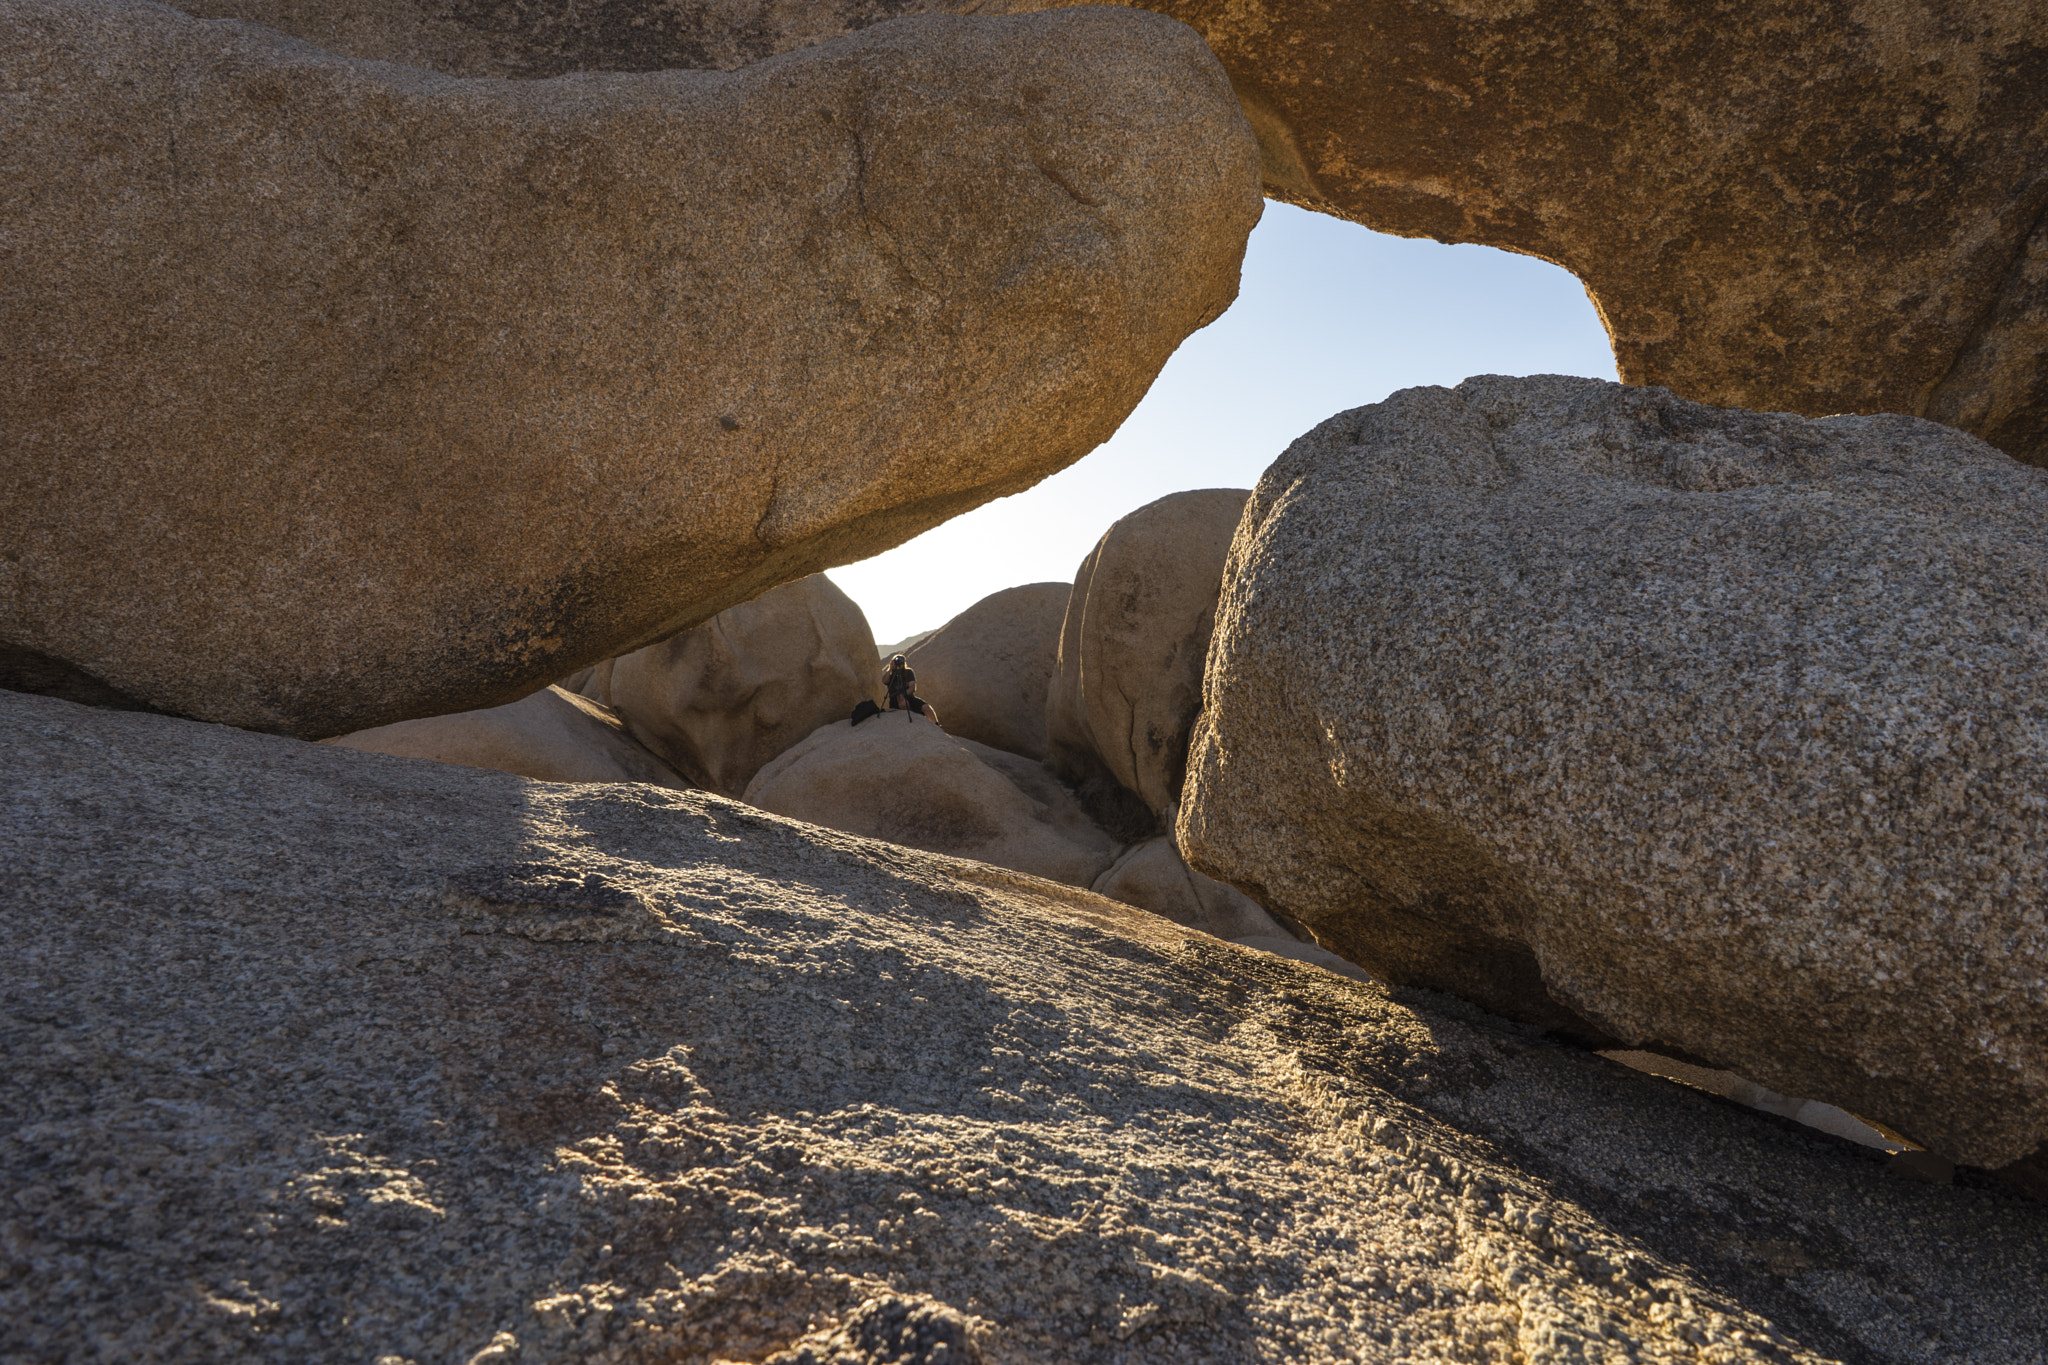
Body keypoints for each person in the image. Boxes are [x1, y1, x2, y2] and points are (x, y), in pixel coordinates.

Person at [882, 654, 939, 726]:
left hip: (909, 697)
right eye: (897, 662)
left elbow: (912, 688)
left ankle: (936, 726)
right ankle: (914, 723)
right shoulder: (890, 674)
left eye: (901, 663)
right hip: (895, 700)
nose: (899, 665)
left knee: (926, 707)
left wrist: (903, 694)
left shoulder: (908, 672)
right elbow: (884, 681)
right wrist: (890, 669)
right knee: (903, 702)